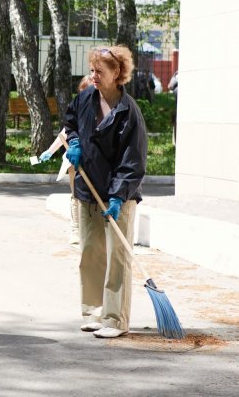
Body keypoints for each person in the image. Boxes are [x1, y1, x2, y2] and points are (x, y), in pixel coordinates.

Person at [63, 46, 148, 339]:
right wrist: (73, 143)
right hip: (87, 189)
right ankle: (93, 312)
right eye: (92, 70)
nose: (93, 76)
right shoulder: (85, 98)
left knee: (117, 258)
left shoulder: (128, 112)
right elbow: (70, 122)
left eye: (100, 71)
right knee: (90, 253)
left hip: (118, 196)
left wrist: (117, 194)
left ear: (117, 74)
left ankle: (115, 319)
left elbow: (133, 159)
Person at [38, 74, 94, 244]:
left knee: (93, 194)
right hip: (74, 159)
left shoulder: (104, 109)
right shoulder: (77, 111)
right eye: (83, 92)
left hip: (94, 160)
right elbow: (65, 133)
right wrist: (49, 150)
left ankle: (92, 230)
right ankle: (76, 230)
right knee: (76, 194)